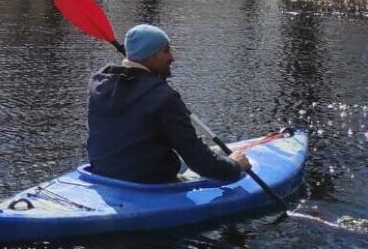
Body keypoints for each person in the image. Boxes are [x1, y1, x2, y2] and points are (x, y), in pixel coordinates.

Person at [86, 24, 251, 184]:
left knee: (218, 151)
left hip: (104, 174)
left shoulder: (99, 84)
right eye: (166, 51)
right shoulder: (164, 98)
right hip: (152, 185)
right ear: (149, 56)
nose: (172, 57)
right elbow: (201, 162)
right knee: (221, 159)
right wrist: (235, 166)